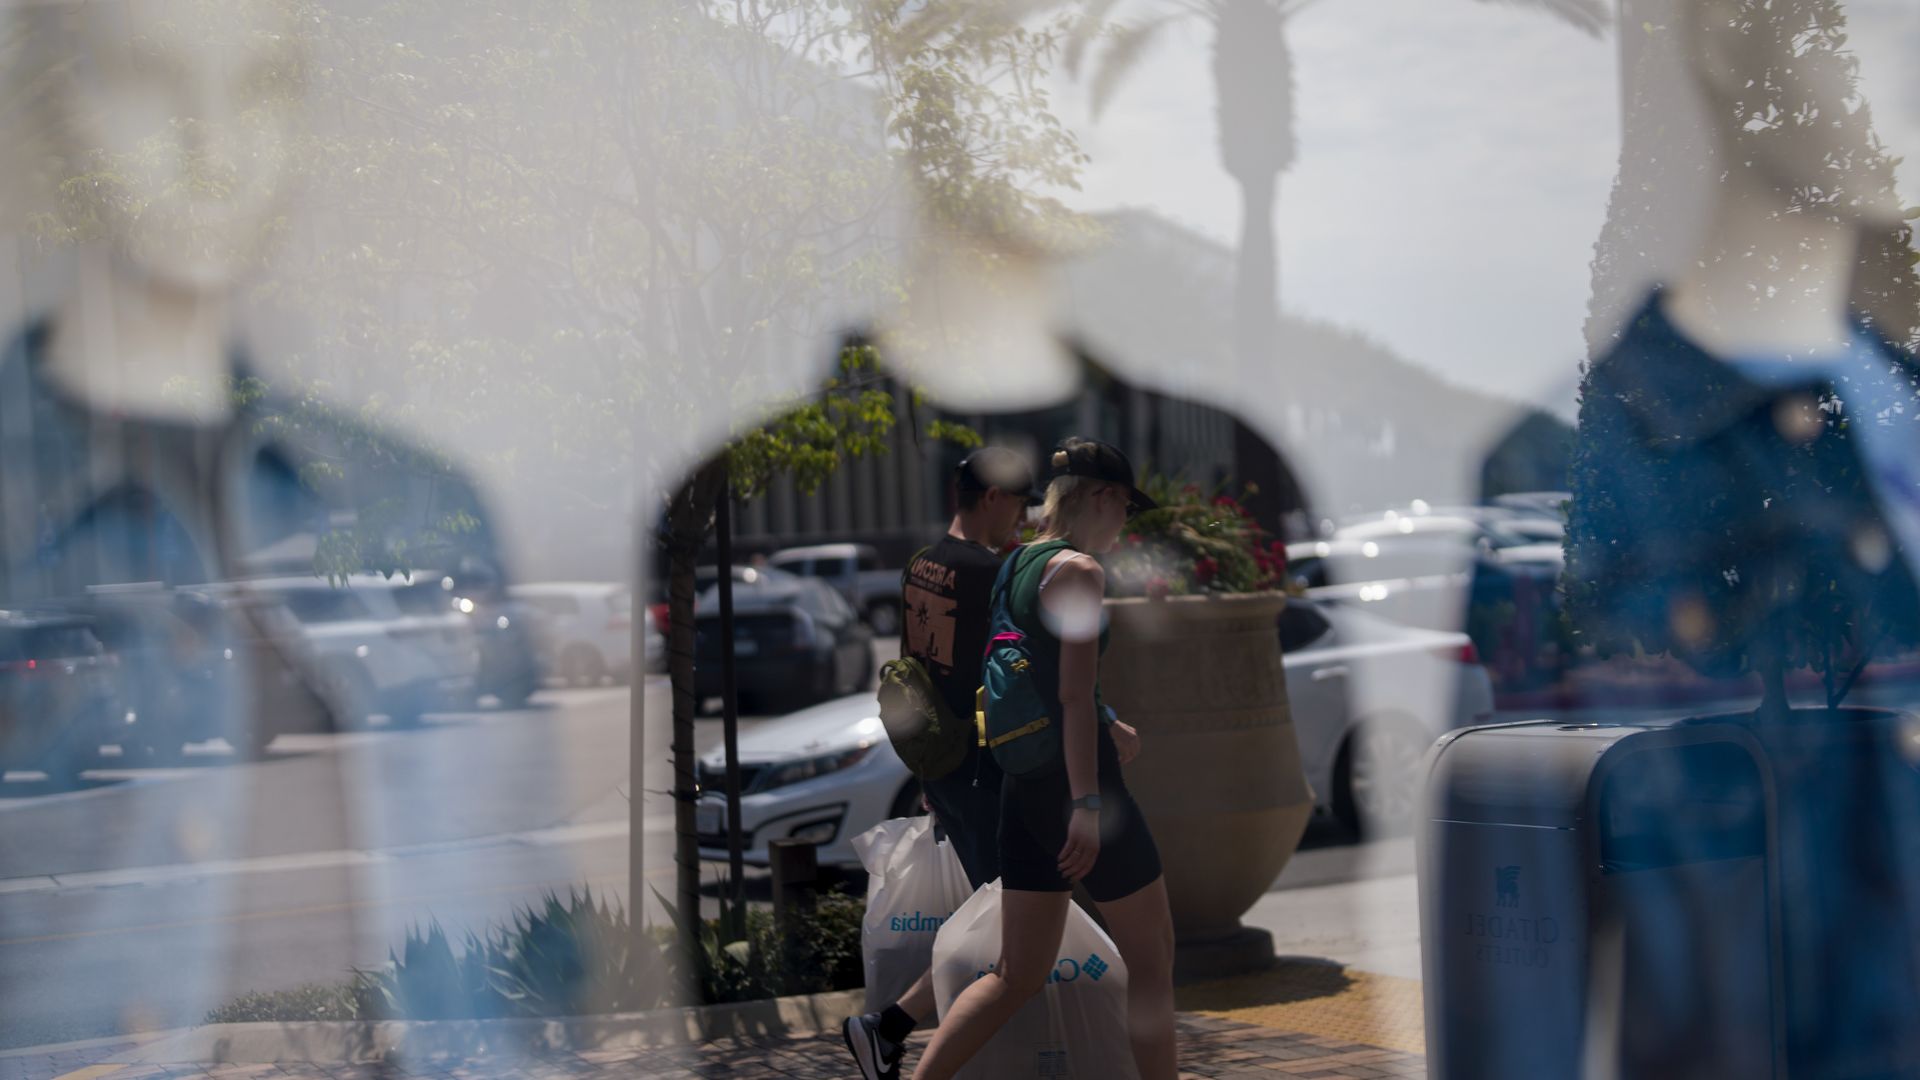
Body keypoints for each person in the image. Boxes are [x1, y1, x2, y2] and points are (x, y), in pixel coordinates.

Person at [912, 437, 1173, 1080]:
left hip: (1020, 787)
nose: (1123, 524)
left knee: (1016, 975)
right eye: (1124, 508)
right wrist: (1086, 805)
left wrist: (1109, 722)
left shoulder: (1017, 561)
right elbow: (1072, 696)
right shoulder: (1081, 571)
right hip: (1080, 795)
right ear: (1103, 497)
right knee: (1153, 959)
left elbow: (1028, 666)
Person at [843, 446, 1040, 1080]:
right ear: (992, 498)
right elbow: (1007, 672)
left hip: (941, 765)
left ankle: (902, 1030)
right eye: (1018, 503)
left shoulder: (920, 565)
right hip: (984, 767)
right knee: (1010, 922)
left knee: (1001, 914)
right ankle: (891, 1029)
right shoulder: (991, 571)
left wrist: (927, 775)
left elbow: (916, 671)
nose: (1021, 518)